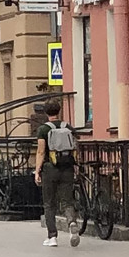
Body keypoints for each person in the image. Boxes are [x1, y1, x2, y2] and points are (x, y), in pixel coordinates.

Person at [36, 93, 77, 247]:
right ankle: (72, 222)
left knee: (49, 203)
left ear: (46, 112)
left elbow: (41, 151)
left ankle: (52, 237)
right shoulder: (68, 127)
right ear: (59, 111)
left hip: (50, 168)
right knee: (67, 201)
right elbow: (75, 147)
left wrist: (37, 170)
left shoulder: (43, 129)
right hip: (67, 167)